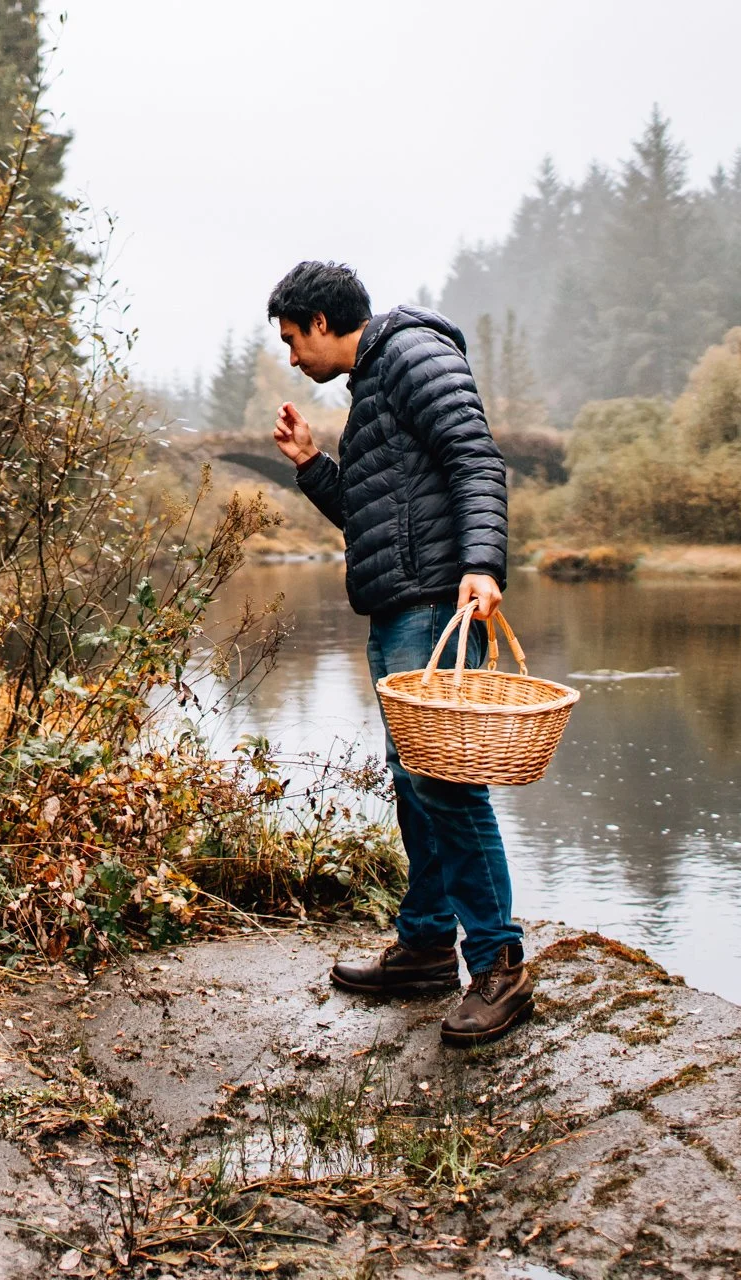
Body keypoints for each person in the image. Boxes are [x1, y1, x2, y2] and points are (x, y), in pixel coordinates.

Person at [265, 260, 532, 1045]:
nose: (291, 358)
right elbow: (372, 517)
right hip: (397, 610)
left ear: (320, 322)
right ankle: (423, 946)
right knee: (413, 784)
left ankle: (499, 966)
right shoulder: (373, 384)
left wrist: (483, 565)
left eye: (291, 339)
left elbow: (477, 461)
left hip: (435, 607)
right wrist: (313, 465)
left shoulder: (415, 356)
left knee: (446, 785)